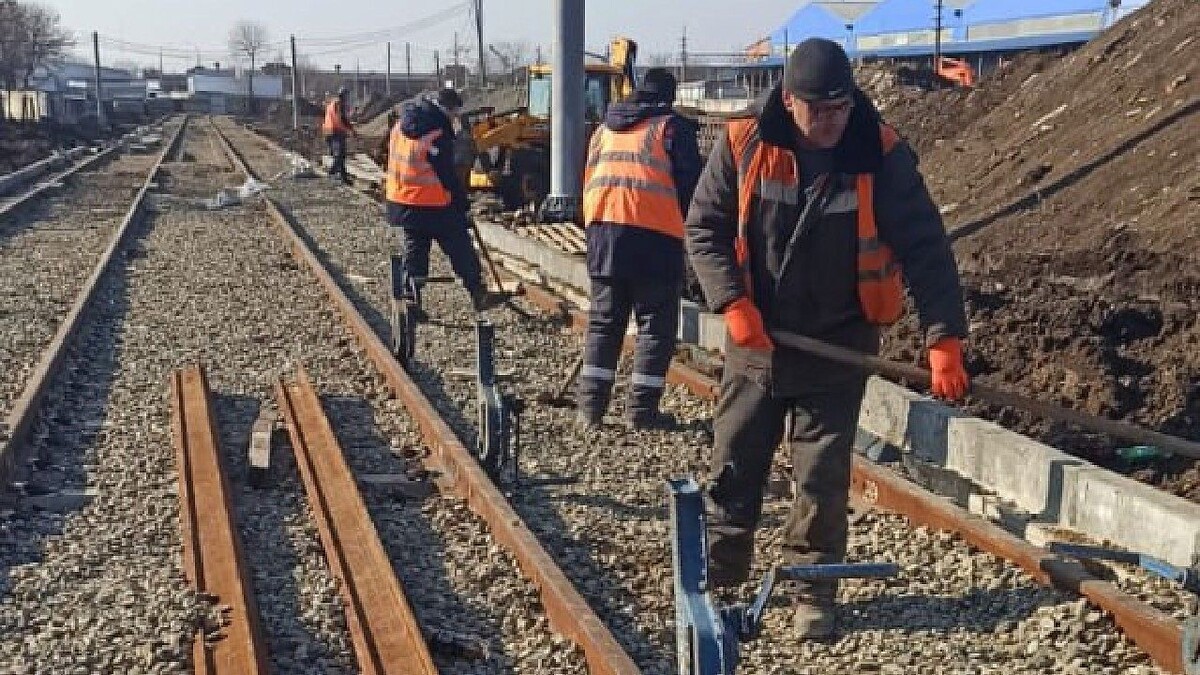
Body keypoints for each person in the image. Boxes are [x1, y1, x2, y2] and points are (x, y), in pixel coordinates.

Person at [684, 39, 970, 638]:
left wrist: (943, 336)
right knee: (735, 457)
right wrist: (732, 303)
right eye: (820, 110)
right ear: (789, 100)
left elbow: (926, 248)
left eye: (841, 108)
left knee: (820, 474)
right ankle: (718, 574)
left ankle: (813, 592)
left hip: (839, 343)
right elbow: (703, 228)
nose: (833, 122)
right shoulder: (744, 145)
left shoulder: (880, 153)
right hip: (757, 340)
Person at [576, 68, 702, 430]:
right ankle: (641, 412)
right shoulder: (671, 129)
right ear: (669, 96)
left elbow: (587, 181)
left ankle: (590, 410)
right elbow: (690, 187)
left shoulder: (603, 130)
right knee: (654, 327)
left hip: (603, 235)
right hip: (655, 238)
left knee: (604, 323)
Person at [385, 87, 500, 312]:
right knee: (460, 245)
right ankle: (477, 291)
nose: (455, 119)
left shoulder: (400, 125)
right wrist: (462, 205)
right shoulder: (436, 132)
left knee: (415, 246)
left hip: (401, 201)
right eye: (454, 114)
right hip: (432, 203)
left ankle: (411, 293)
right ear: (445, 109)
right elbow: (447, 175)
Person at [322, 87, 357, 185]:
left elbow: (342, 119)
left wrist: (350, 129)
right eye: (347, 96)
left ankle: (343, 177)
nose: (348, 98)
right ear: (344, 95)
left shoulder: (335, 103)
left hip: (332, 132)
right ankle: (331, 174)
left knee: (341, 156)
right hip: (334, 132)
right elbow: (340, 120)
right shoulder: (338, 104)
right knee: (339, 156)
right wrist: (350, 130)